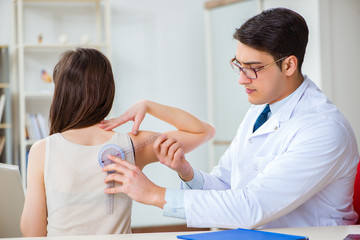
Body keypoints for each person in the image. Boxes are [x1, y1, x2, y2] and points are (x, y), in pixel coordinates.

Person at [100, 8, 359, 229]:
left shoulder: (323, 129)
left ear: (289, 65)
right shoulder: (260, 110)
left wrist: (154, 194)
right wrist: (188, 174)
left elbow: (252, 207)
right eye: (239, 64)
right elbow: (226, 184)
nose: (241, 79)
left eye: (253, 69)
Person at [20, 48, 215, 236]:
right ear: (108, 91)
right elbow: (204, 131)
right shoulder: (132, 146)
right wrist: (147, 105)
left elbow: (32, 232)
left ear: (61, 95)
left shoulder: (42, 151)